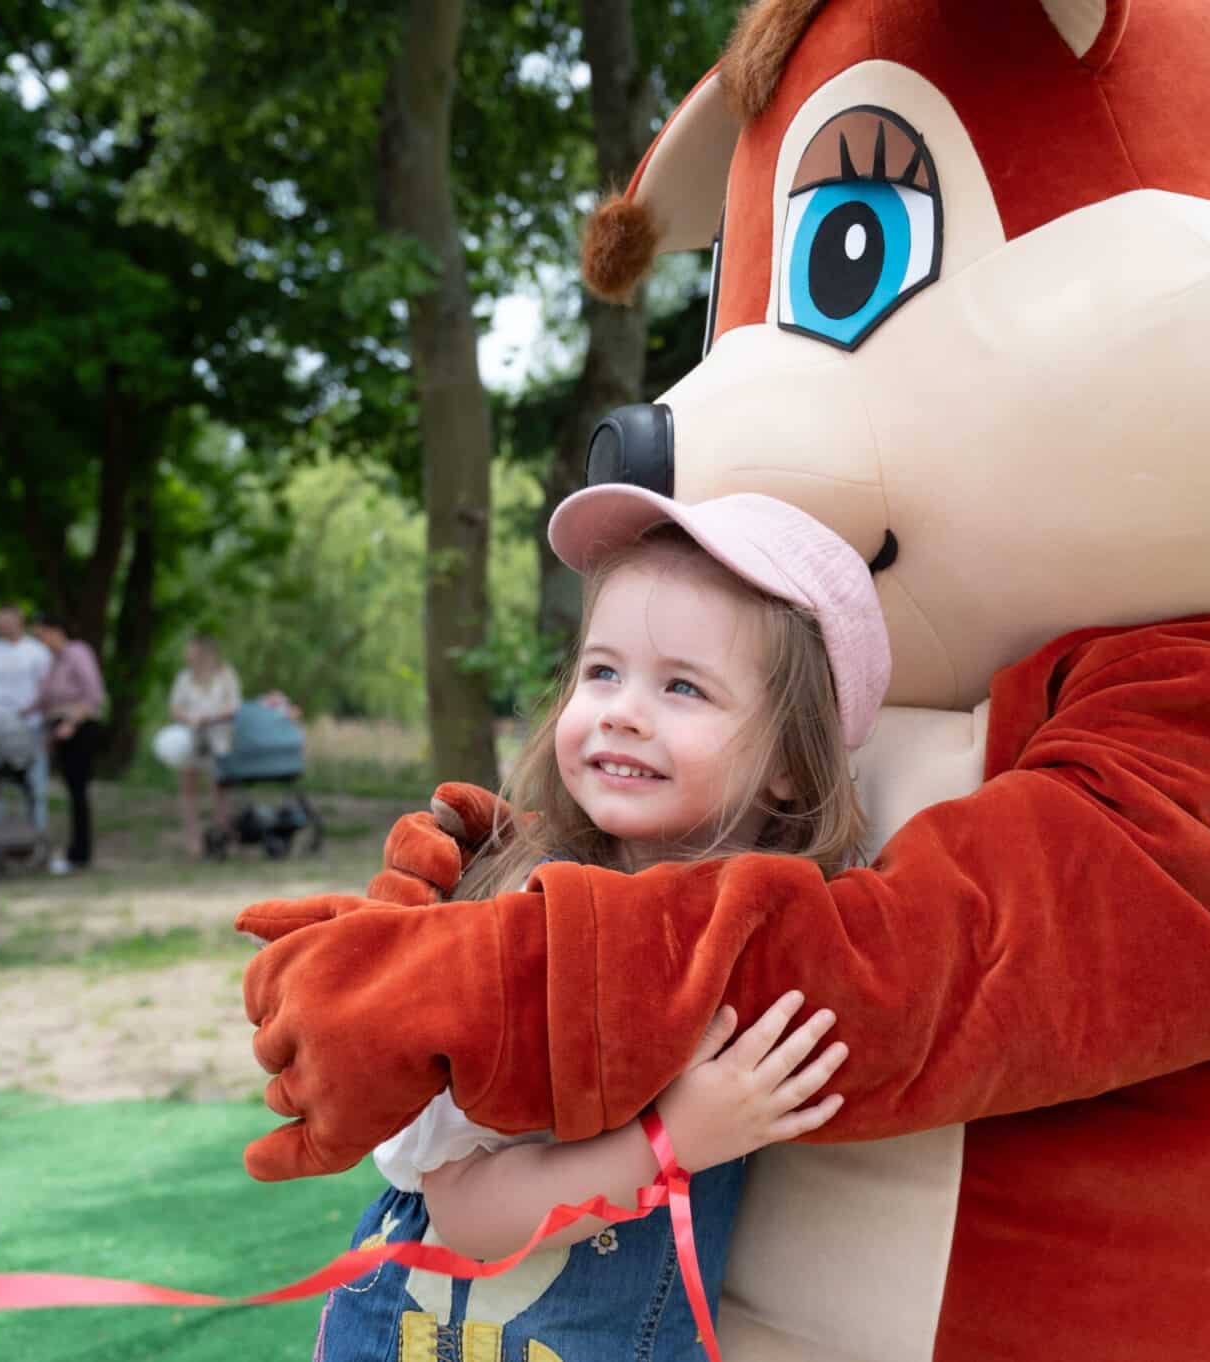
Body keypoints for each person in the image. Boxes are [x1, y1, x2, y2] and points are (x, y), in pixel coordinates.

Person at [316, 488, 877, 1362]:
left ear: (791, 767)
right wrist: (673, 1141)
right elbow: (468, 1213)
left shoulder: (776, 937)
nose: (620, 709)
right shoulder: (533, 926)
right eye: (602, 671)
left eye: (683, 685)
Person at [26, 615, 106, 875]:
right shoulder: (54, 663)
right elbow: (42, 699)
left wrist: (71, 722)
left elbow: (93, 694)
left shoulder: (77, 653)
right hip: (60, 730)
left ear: (55, 631)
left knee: (78, 791)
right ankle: (74, 850)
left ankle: (80, 852)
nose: (40, 642)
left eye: (41, 635)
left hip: (77, 729)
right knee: (71, 791)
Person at [0, 605, 53, 832]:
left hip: (29, 725)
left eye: (5, 620)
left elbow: (45, 689)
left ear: (19, 621)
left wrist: (45, 723)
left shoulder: (37, 651)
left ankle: (38, 833)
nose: (1, 626)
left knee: (35, 782)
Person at [166, 635, 241, 857]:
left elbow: (235, 705)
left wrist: (212, 717)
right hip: (192, 737)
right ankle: (193, 840)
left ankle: (223, 835)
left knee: (220, 788)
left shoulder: (225, 675)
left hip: (219, 738)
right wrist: (190, 718)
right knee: (189, 788)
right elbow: (175, 708)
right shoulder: (184, 678)